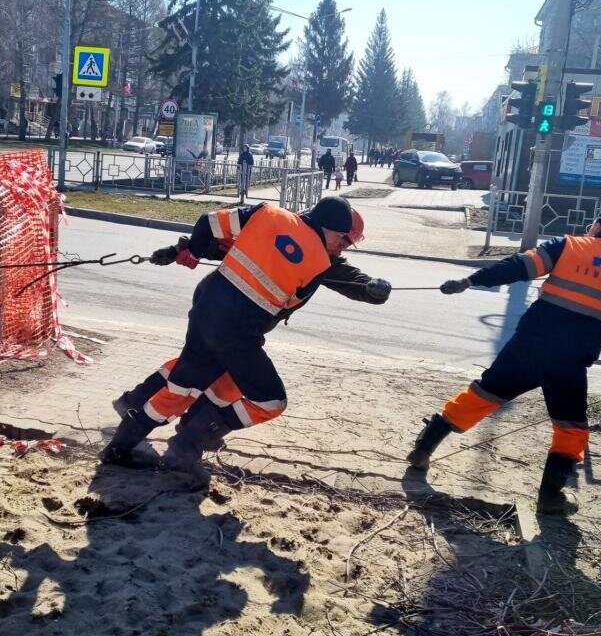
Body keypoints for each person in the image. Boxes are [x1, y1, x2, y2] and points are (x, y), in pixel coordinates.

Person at [100, 196, 392, 486]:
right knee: (263, 397)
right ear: (331, 227)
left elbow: (211, 225)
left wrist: (190, 248)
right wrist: (186, 249)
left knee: (191, 378)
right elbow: (319, 282)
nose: (342, 249)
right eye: (343, 241)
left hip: (209, 306)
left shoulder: (269, 214)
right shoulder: (318, 259)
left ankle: (134, 419)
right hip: (237, 330)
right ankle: (190, 440)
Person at [410, 203, 601, 514]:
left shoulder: (567, 246)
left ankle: (423, 449)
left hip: (530, 345)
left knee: (483, 394)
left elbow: (518, 266)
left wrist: (472, 280)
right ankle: (551, 497)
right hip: (571, 360)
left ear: (597, 223)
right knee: (570, 427)